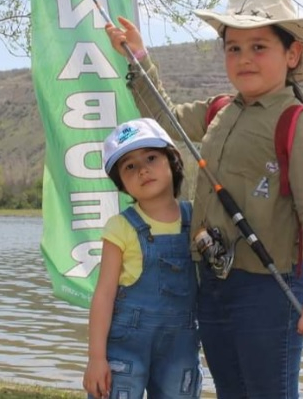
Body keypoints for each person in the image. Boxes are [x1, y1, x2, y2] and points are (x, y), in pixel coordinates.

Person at [105, 0, 303, 399]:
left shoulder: (299, 123)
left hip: (270, 290)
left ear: (291, 55)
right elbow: (163, 119)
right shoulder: (219, 110)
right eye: (233, 48)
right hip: (213, 285)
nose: (244, 58)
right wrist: (139, 58)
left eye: (258, 47)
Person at [83, 117, 202, 399]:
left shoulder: (198, 218)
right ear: (121, 184)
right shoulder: (121, 227)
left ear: (173, 161)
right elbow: (103, 296)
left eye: (151, 157)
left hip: (181, 347)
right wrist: (96, 358)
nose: (143, 170)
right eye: (130, 166)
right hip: (125, 346)